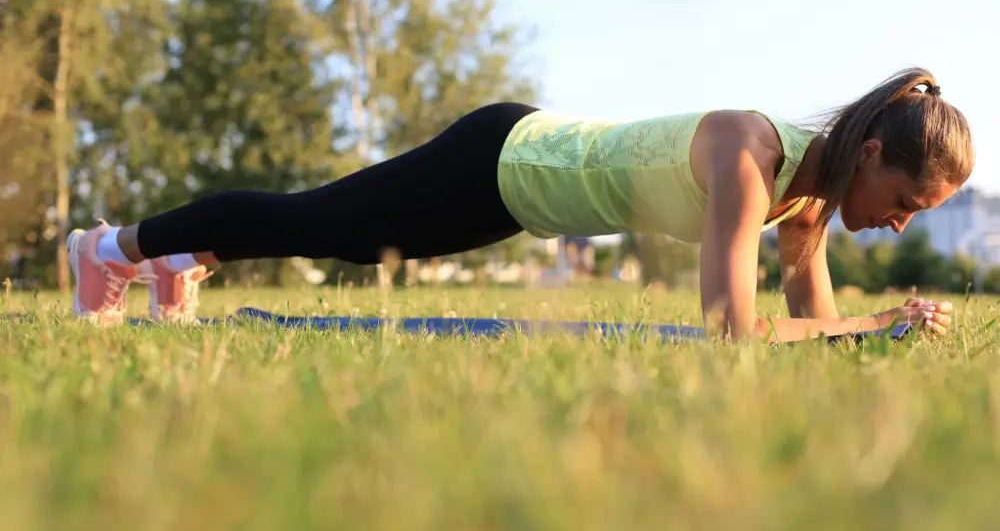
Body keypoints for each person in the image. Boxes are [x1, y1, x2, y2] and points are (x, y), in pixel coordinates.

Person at [67, 66, 973, 341]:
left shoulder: (808, 201)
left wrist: (883, 333)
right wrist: (868, 323)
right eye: (905, 200)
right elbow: (733, 332)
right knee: (318, 224)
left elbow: (815, 330)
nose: (901, 221)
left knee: (334, 233)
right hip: (502, 158)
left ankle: (181, 262)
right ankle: (109, 247)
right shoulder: (753, 155)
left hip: (520, 198)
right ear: (870, 152)